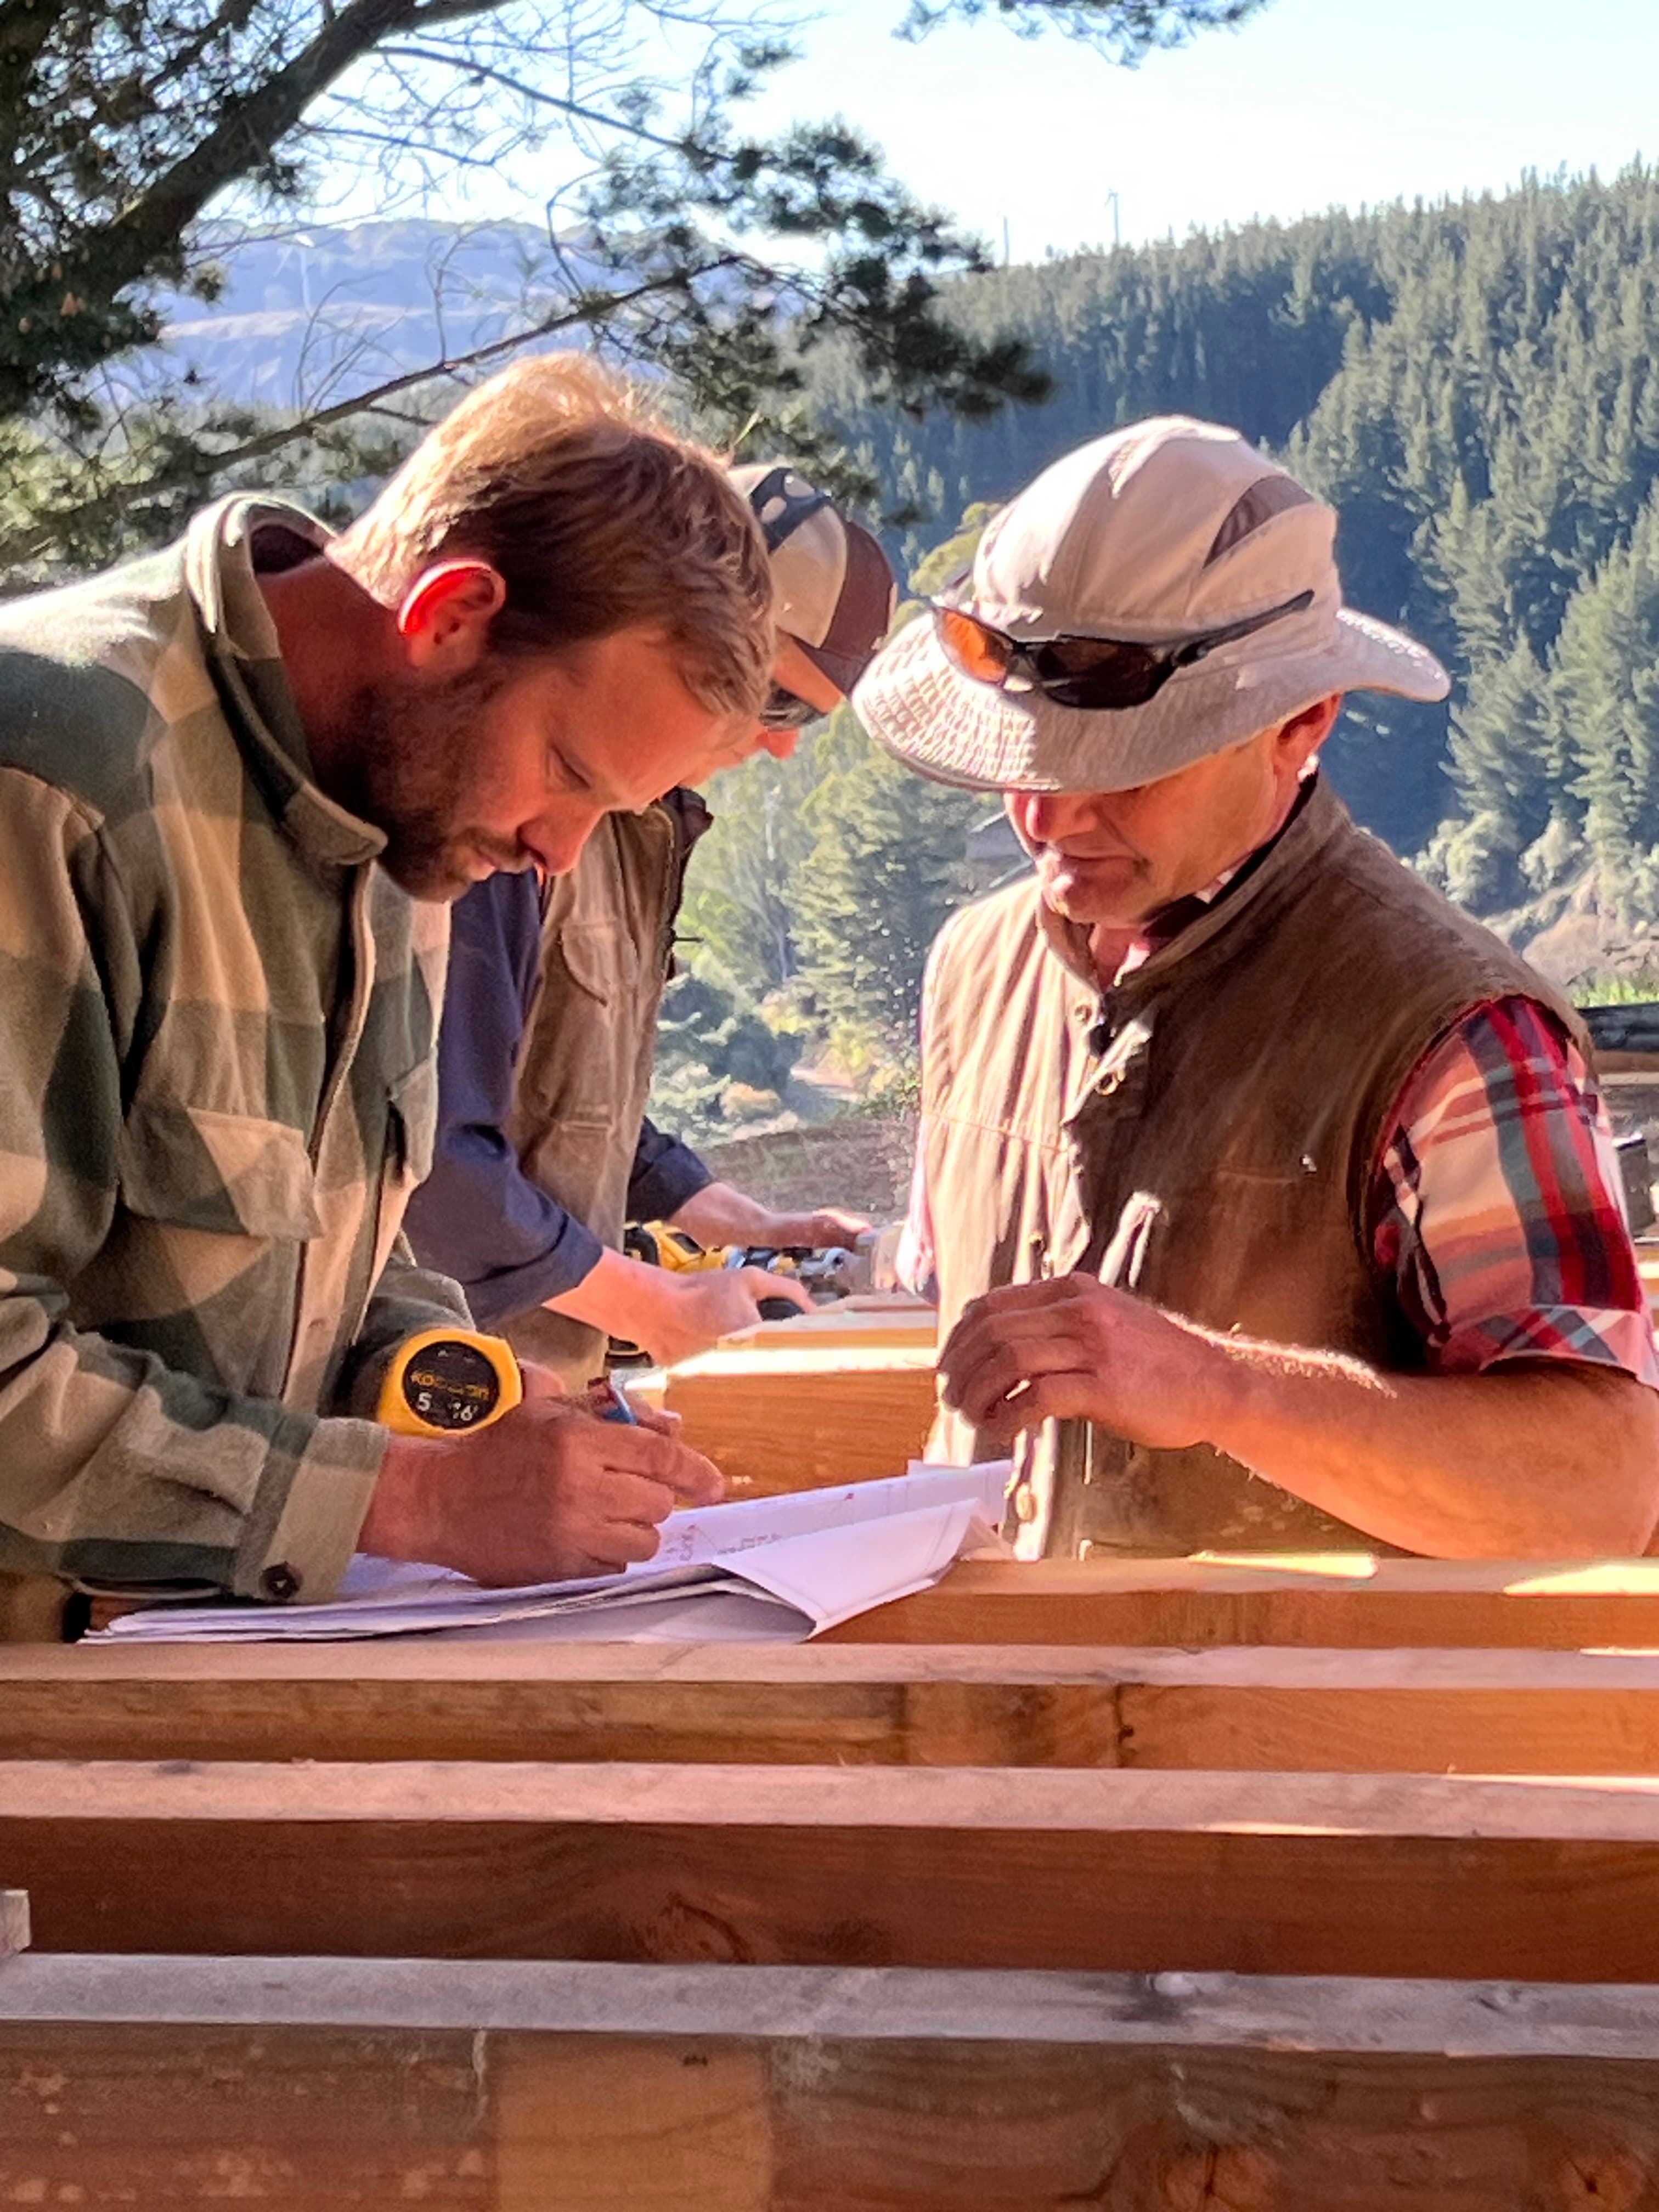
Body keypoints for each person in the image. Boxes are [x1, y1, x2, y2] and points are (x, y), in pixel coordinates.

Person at [0, 353, 777, 1604]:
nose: (556, 854)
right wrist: (408, 1499)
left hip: (186, 1696)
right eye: (571, 771)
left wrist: (498, 1419)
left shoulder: (401, 817)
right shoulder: (52, 775)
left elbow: (346, 1276)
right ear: (449, 615)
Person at [853, 415, 1659, 1561]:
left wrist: (1222, 1388)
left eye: (1125, 766)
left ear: (1302, 723)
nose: (1047, 816)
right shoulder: (976, 968)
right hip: (1003, 1714)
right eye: (1023, 761)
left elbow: (1597, 1488)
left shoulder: (1457, 1032)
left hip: (1310, 1731)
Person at [404, 464, 898, 1384]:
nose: (784, 743)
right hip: (439, 1395)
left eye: (811, 721)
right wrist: (655, 1306)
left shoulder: (647, 828)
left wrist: (724, 1214)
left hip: (538, 1393)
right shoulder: (514, 823)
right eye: (776, 698)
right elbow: (436, 1160)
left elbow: (558, 1096)